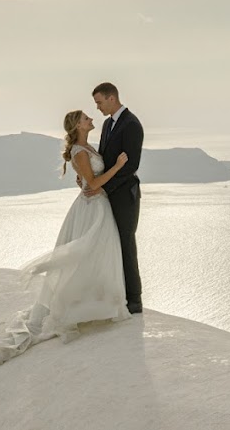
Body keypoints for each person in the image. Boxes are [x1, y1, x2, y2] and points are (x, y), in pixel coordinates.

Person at [0, 109, 131, 369]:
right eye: (86, 119)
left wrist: (86, 180)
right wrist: (117, 166)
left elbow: (87, 181)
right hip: (91, 208)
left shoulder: (86, 148)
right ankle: (81, 307)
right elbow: (93, 185)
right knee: (85, 253)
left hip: (97, 205)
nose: (91, 119)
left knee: (96, 254)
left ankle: (96, 302)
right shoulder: (79, 152)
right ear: (78, 126)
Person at [87, 81, 144, 314]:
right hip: (108, 193)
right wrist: (90, 178)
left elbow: (130, 166)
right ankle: (115, 293)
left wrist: (104, 187)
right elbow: (104, 159)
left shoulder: (131, 124)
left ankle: (134, 300)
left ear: (112, 98)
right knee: (109, 242)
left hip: (124, 196)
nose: (98, 107)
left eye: (99, 102)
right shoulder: (107, 124)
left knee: (125, 243)